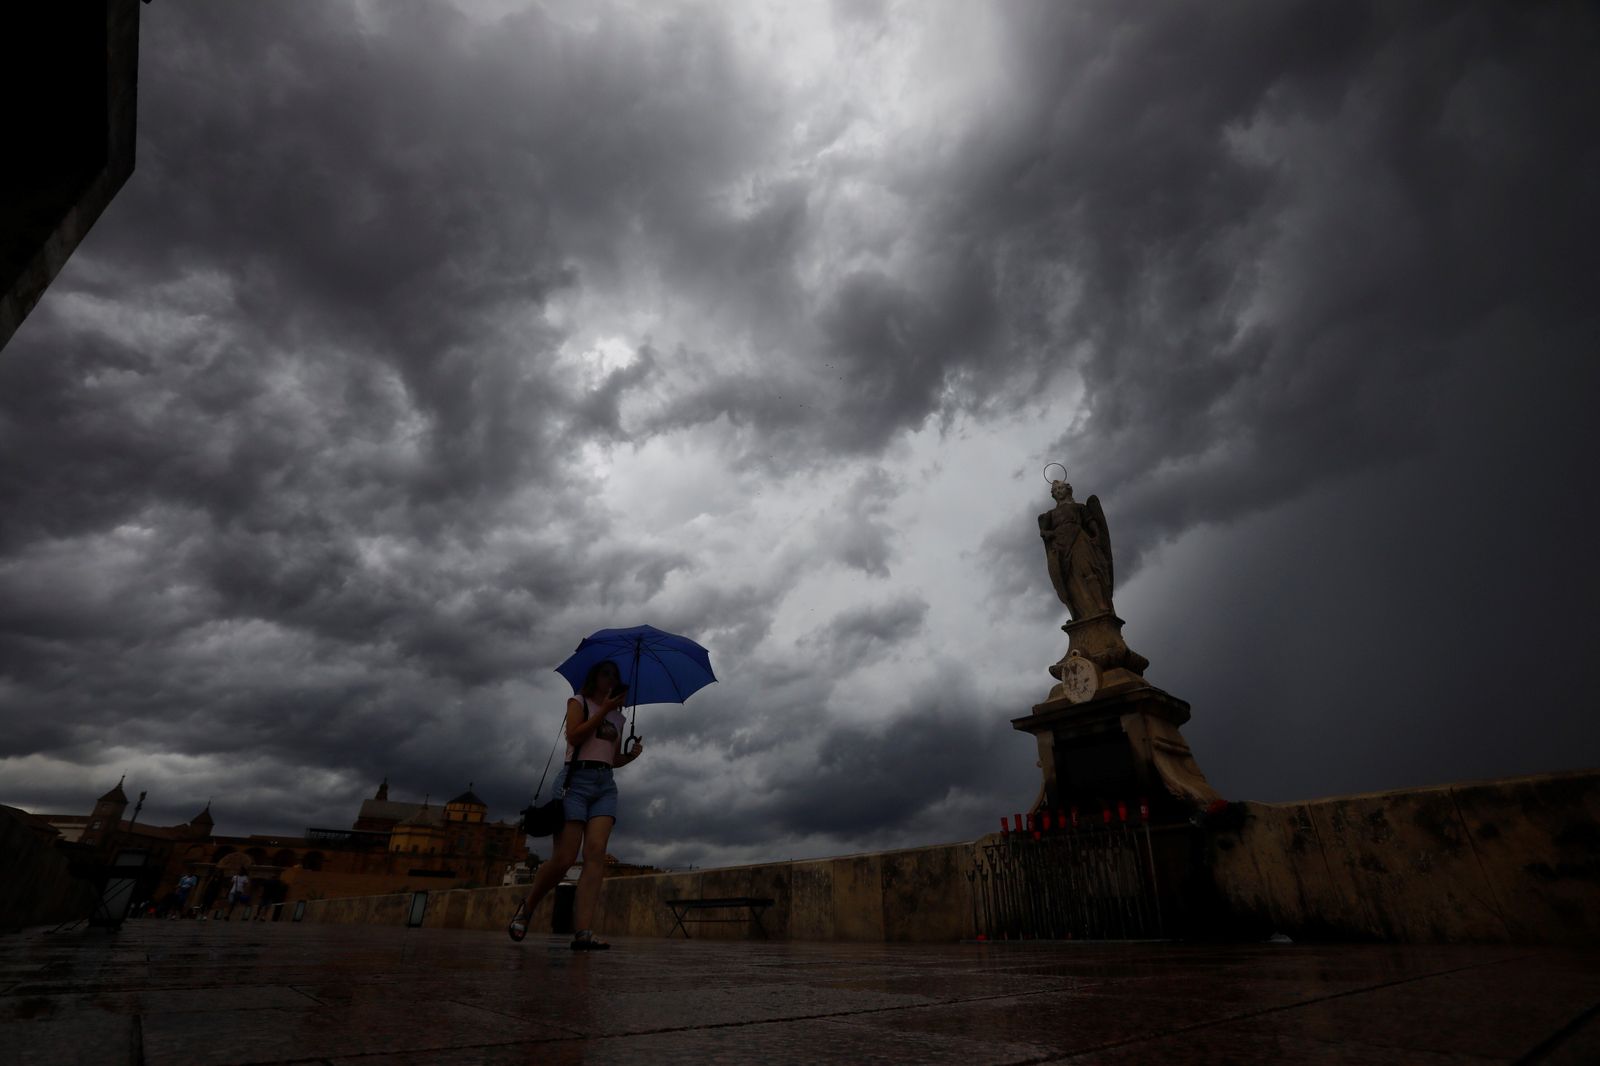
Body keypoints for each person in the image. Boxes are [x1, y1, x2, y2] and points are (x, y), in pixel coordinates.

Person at [509, 660, 644, 950]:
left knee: (596, 853)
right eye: (605, 673)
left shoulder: (619, 719)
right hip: (575, 782)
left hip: (605, 785)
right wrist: (605, 709)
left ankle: (583, 931)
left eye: (615, 675)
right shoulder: (578, 702)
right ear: (594, 677)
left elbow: (610, 758)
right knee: (565, 858)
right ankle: (528, 906)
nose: (610, 679)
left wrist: (630, 756)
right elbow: (575, 736)